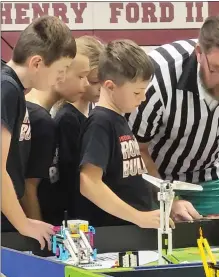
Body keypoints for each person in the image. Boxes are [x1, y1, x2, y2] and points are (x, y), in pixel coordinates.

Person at [127, 11, 219, 218]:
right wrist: (168, 199)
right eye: (218, 70)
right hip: (153, 174)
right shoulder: (157, 75)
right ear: (199, 53)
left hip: (211, 174)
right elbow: (135, 151)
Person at [76, 39, 169, 228]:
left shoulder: (118, 118)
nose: (143, 99)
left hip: (131, 229)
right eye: (137, 92)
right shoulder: (101, 122)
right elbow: (88, 182)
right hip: (114, 233)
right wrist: (138, 217)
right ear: (110, 86)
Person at [1, 16, 76, 248]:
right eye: (61, 69)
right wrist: (23, 223)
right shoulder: (7, 89)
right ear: (36, 63)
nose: (62, 78)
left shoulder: (13, 88)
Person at [23, 36, 103, 225]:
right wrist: (39, 238)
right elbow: (28, 187)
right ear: (62, 72)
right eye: (82, 77)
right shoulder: (41, 119)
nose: (85, 85)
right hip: (38, 225)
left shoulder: (44, 115)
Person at [52, 37, 104, 219]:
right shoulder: (67, 119)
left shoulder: (90, 112)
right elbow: (70, 178)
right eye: (95, 81)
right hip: (77, 213)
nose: (101, 87)